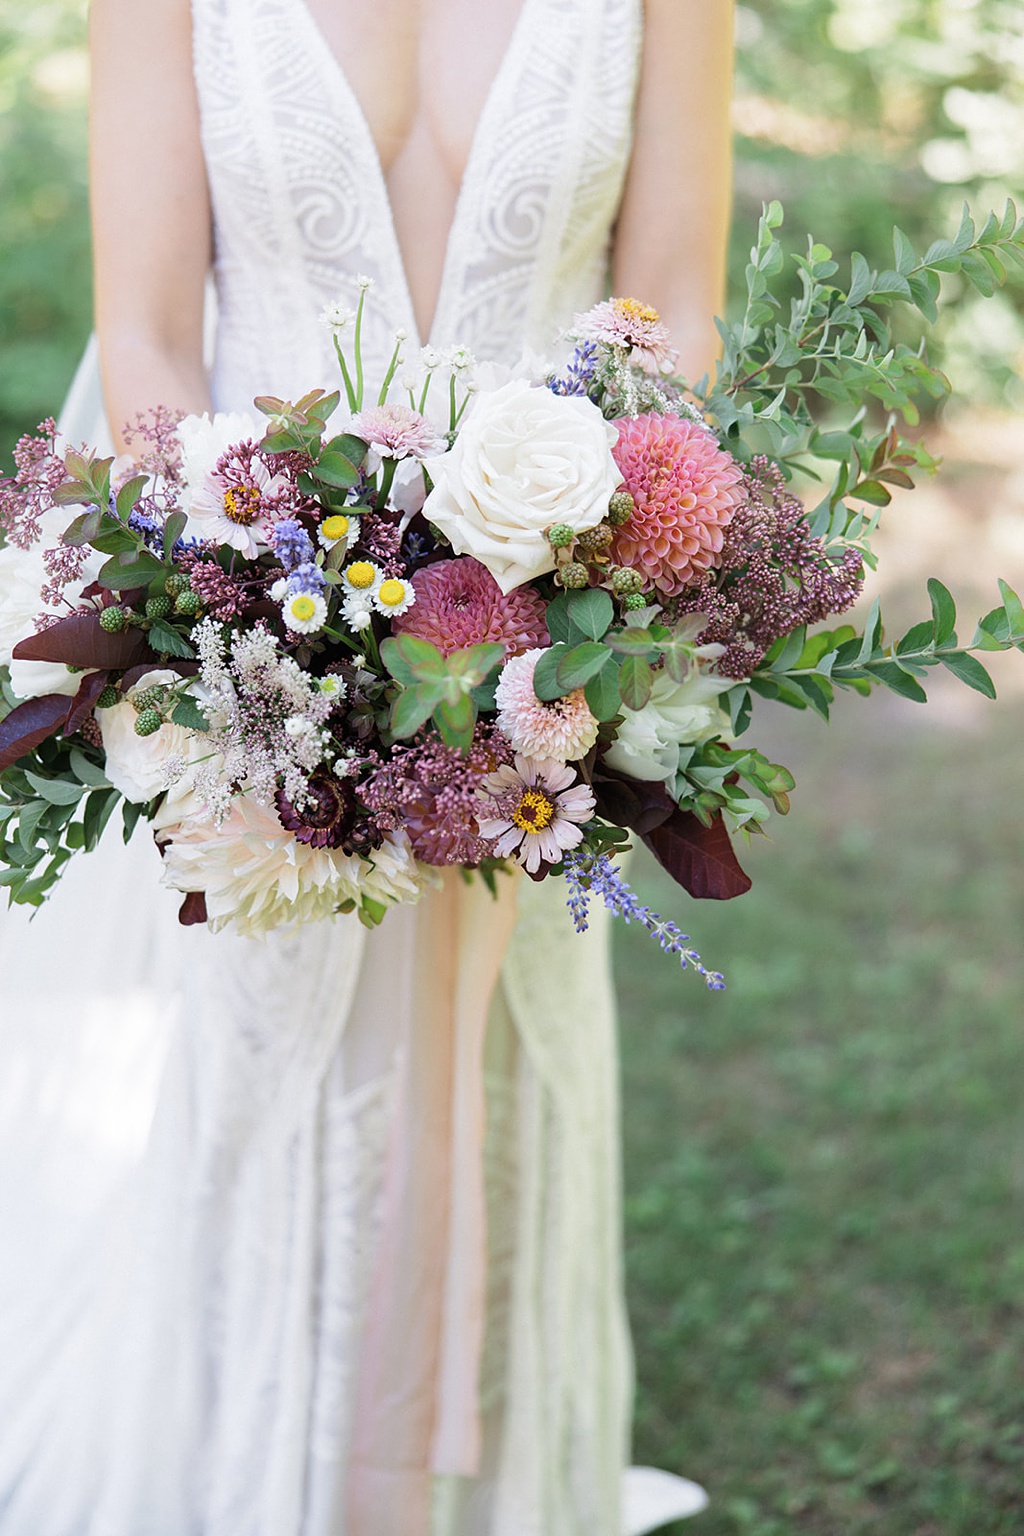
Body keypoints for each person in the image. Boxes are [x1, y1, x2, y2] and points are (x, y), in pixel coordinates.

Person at [0, 1, 734, 1531]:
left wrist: (580, 597)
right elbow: (149, 334)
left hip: (548, 652)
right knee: (269, 1061)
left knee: (511, 1057)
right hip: (266, 647)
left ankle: (491, 1498)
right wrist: (249, 624)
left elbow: (675, 307)